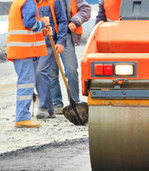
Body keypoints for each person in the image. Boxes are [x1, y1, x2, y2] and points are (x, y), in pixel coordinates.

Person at [7, 0, 49, 128]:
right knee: (26, 84)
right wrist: (43, 24)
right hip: (24, 50)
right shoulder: (28, 1)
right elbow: (30, 23)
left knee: (25, 83)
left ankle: (23, 116)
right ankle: (22, 118)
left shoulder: (19, 2)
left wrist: (42, 29)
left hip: (20, 49)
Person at [48, 0, 91, 114]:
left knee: (71, 70)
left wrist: (75, 21)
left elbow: (86, 10)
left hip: (65, 35)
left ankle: (75, 102)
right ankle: (56, 103)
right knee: (51, 74)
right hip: (48, 38)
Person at [34, 0, 69, 119]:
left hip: (49, 44)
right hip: (33, 45)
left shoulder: (54, 1)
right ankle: (50, 109)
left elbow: (62, 21)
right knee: (37, 76)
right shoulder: (28, 2)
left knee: (41, 72)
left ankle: (43, 107)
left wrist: (60, 41)